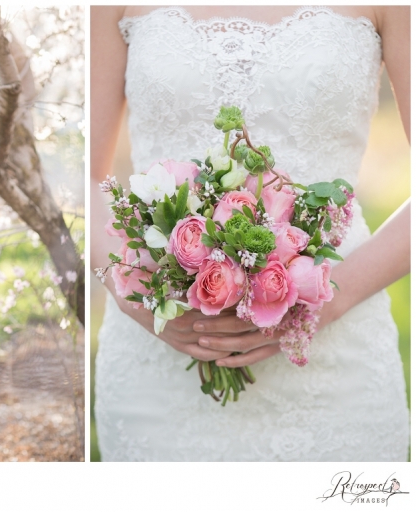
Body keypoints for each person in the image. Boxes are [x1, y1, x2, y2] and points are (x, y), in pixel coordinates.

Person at [91, 6, 410, 461]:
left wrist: (319, 303)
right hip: (159, 361)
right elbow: (82, 176)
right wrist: (133, 295)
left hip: (335, 362)